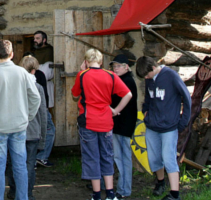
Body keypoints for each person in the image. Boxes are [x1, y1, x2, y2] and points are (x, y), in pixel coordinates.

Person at [0, 39, 41, 200]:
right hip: (19, 127)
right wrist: (27, 116)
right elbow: (36, 98)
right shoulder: (23, 73)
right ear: (12, 54)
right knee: (20, 166)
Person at [72, 48, 132, 200]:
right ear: (101, 61)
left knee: (92, 157)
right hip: (106, 121)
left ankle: (97, 194)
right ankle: (110, 194)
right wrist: (116, 110)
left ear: (86, 61)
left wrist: (81, 71)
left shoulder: (82, 75)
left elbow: (74, 94)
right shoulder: (111, 75)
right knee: (107, 155)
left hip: (88, 122)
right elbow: (128, 94)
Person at [135, 56, 190, 200]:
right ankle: (160, 182)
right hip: (152, 126)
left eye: (147, 75)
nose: (146, 78)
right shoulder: (149, 79)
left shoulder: (171, 76)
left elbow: (187, 98)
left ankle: (175, 194)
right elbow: (148, 98)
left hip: (169, 127)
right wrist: (146, 113)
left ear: (153, 68)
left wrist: (182, 122)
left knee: (169, 159)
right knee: (154, 158)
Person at [7, 55, 48, 200]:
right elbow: (43, 113)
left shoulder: (13, 86)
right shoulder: (38, 88)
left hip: (15, 130)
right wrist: (43, 136)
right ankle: (27, 194)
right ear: (34, 70)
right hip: (32, 131)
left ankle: (13, 191)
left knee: (13, 162)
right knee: (30, 164)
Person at [109, 55, 139, 199]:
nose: (115, 69)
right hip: (118, 124)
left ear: (126, 66)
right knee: (118, 157)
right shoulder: (120, 80)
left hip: (124, 125)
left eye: (118, 66)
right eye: (114, 67)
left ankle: (124, 190)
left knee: (123, 157)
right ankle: (122, 188)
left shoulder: (127, 81)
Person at [31, 31, 55, 168]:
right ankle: (37, 155)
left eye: (38, 38)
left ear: (44, 40)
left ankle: (41, 155)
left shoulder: (49, 52)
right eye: (34, 38)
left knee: (46, 124)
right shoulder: (34, 52)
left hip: (45, 88)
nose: (35, 40)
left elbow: (47, 73)